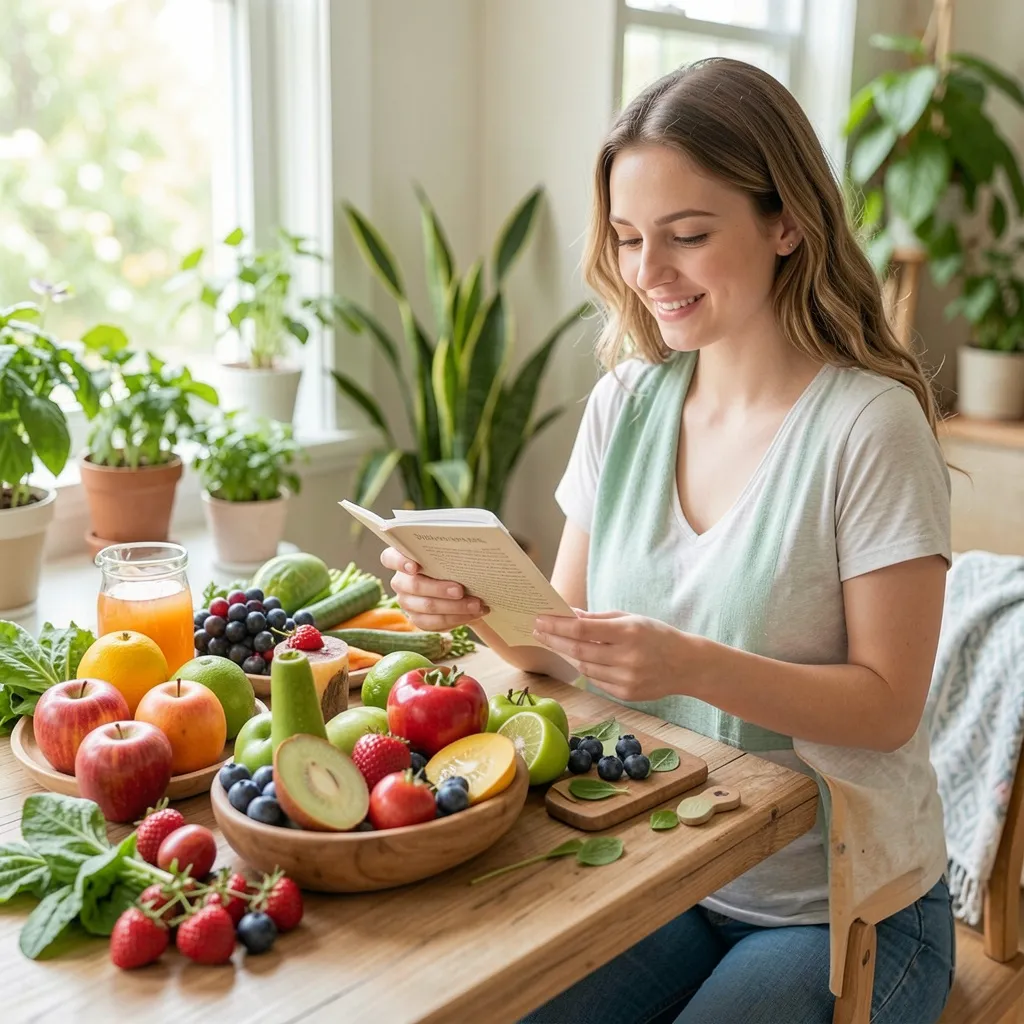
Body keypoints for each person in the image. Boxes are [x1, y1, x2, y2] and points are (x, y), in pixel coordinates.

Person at [380, 58, 955, 1023]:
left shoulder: (870, 427)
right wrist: (470, 604)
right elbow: (559, 642)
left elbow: (887, 706)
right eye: (628, 238)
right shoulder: (626, 403)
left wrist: (689, 663)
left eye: (688, 235)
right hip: (664, 873)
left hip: (841, 912)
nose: (649, 273)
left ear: (786, 223)